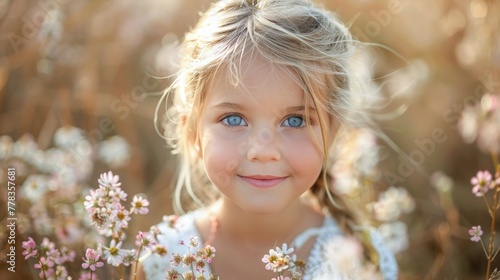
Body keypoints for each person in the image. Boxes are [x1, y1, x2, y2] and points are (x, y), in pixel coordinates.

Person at [137, 0, 398, 279]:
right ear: (193, 133)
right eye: (233, 119)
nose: (263, 151)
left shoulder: (361, 260)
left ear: (331, 133)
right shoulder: (162, 258)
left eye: (295, 121)